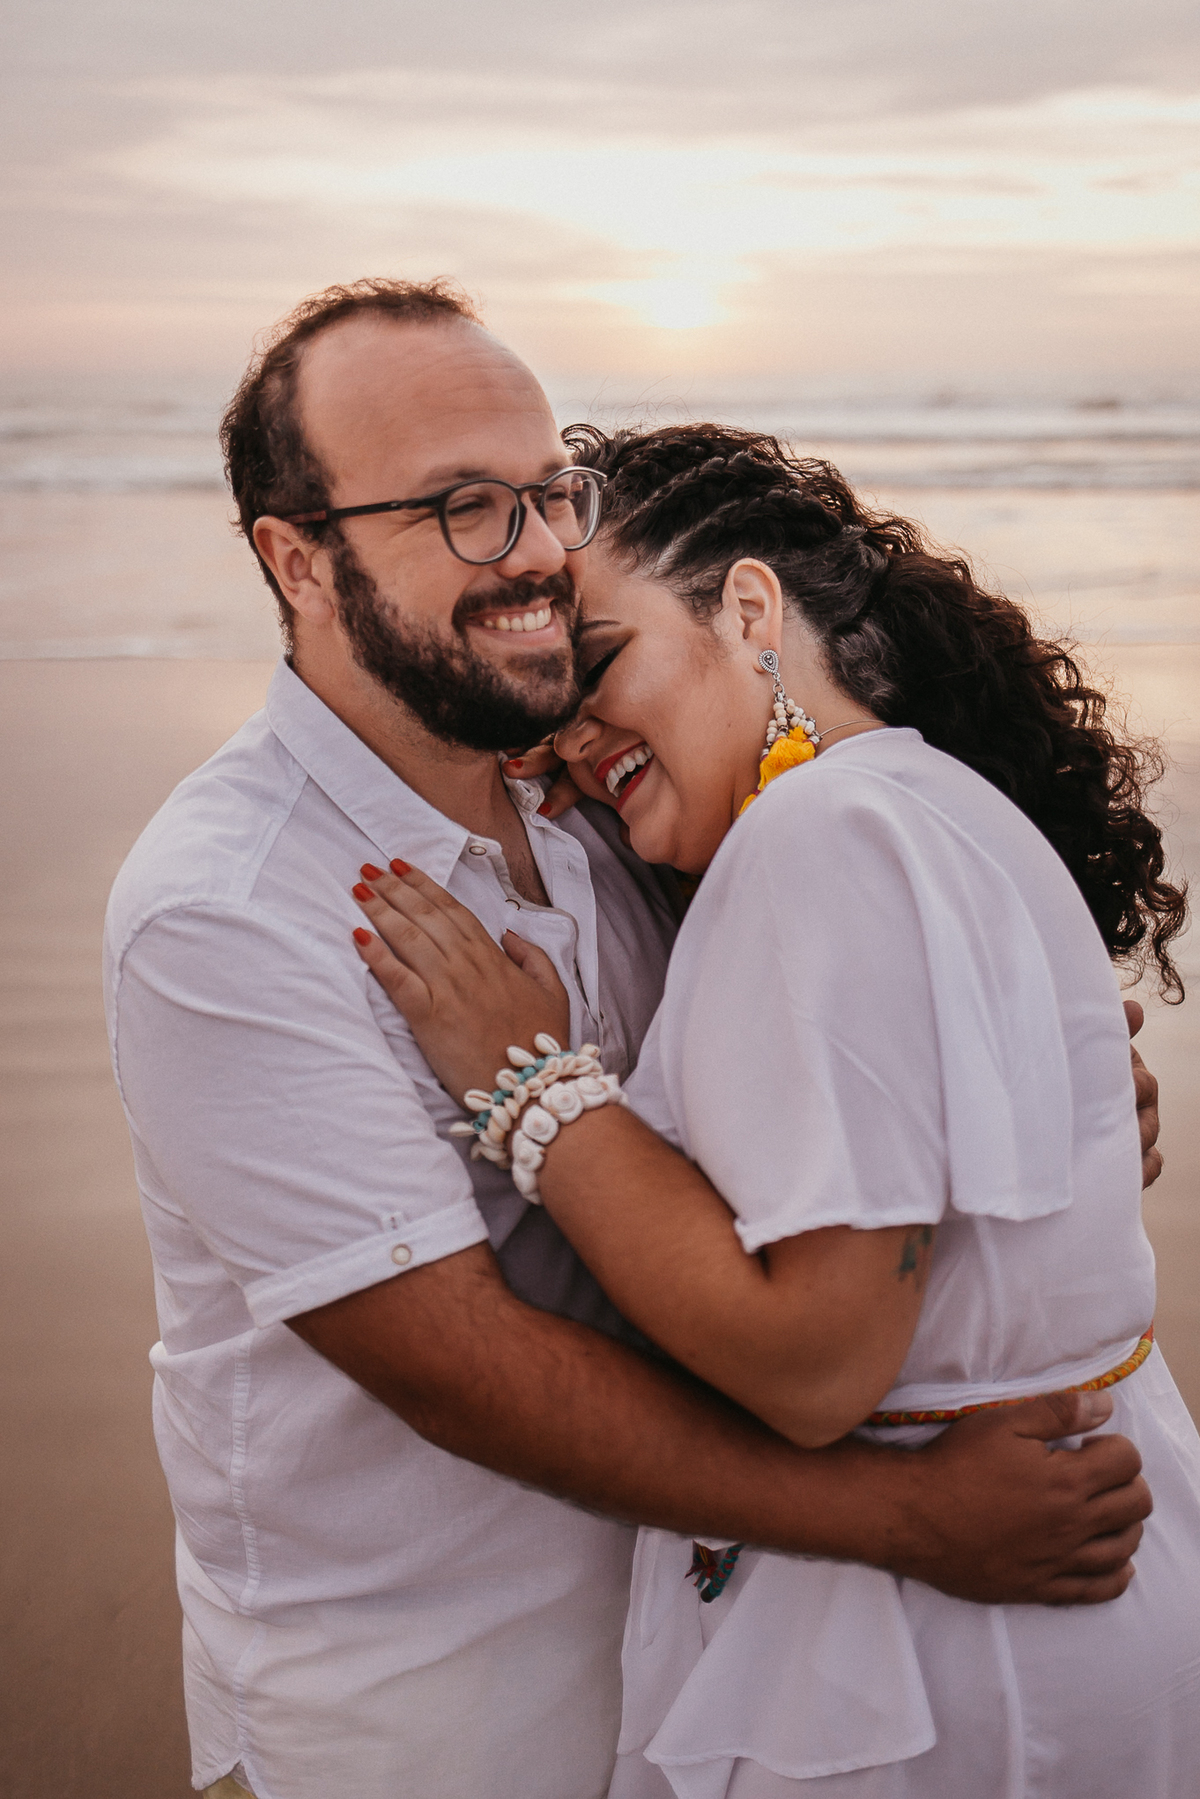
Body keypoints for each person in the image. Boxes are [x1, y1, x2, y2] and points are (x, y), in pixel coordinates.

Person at [104, 283, 1156, 1799]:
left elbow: (798, 1096)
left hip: (714, 1636)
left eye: (544, 496)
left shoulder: (614, 818)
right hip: (433, 1701)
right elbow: (458, 1361)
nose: (532, 550)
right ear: (297, 559)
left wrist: (1020, 1086)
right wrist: (906, 1520)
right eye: (462, 507)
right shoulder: (224, 912)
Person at [348, 422, 1200, 1799]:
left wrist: (532, 1085)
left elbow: (814, 1366)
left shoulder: (817, 839)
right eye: (550, 701)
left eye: (601, 661)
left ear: (749, 608)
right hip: (1077, 1595)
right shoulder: (934, 803)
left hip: (934, 1663)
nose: (566, 737)